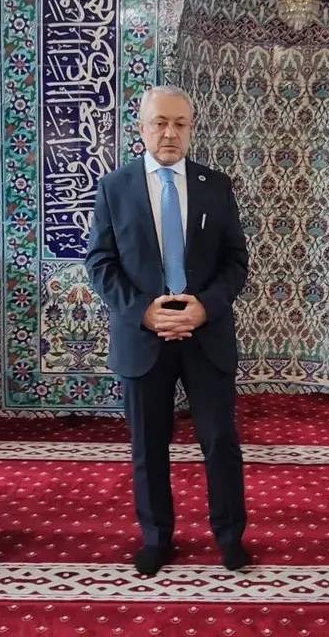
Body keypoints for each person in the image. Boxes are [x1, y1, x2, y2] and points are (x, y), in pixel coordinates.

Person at [85, 85, 251, 576]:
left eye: (180, 124)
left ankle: (229, 537)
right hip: (144, 337)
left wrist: (205, 308)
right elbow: (100, 263)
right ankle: (156, 538)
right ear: (142, 128)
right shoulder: (114, 187)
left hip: (206, 335)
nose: (170, 133)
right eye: (160, 123)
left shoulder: (215, 186)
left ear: (191, 129)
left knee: (220, 442)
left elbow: (235, 261)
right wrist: (143, 312)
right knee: (148, 447)